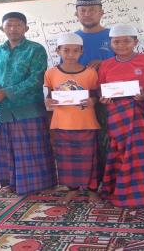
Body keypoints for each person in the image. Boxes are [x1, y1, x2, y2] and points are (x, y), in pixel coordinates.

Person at [0, 12, 56, 195]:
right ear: (2, 29)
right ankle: (8, 183)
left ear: (26, 28)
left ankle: (38, 185)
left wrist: (5, 92)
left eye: (18, 25)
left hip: (29, 109)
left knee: (32, 148)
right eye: (9, 25)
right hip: (3, 110)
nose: (13, 29)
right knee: (5, 148)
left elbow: (36, 79)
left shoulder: (35, 49)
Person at [98, 24, 144, 207]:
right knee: (120, 151)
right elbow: (101, 91)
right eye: (116, 42)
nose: (121, 45)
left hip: (140, 114)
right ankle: (118, 189)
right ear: (110, 43)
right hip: (116, 116)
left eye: (126, 41)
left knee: (140, 152)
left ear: (135, 42)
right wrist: (104, 98)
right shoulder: (105, 65)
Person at [44, 33, 100, 204]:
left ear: (81, 52)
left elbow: (96, 96)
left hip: (86, 123)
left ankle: (92, 190)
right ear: (58, 51)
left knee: (90, 158)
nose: (70, 54)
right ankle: (72, 190)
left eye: (75, 51)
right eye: (66, 50)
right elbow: (47, 97)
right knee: (66, 160)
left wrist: (92, 101)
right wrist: (48, 102)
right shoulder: (51, 73)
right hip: (62, 124)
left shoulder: (91, 73)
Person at [74, 0, 115, 185]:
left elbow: (125, 63)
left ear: (101, 13)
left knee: (108, 140)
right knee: (86, 142)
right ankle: (90, 183)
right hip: (81, 98)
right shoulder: (72, 39)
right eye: (83, 10)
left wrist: (104, 64)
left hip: (110, 97)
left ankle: (109, 183)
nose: (87, 14)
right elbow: (64, 70)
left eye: (92, 10)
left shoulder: (114, 36)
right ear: (77, 14)